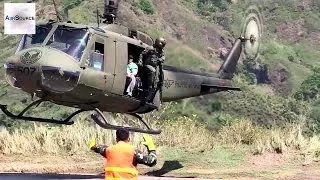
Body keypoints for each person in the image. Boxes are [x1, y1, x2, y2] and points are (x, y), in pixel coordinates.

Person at [89, 128, 157, 180]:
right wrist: (151, 148)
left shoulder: (109, 150)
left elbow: (99, 148)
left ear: (116, 139)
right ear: (128, 139)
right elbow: (151, 161)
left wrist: (93, 146)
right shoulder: (133, 152)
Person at [139, 37, 166, 103]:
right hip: (147, 65)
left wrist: (160, 60)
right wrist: (140, 61)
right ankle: (150, 87)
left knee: (158, 78)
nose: (162, 46)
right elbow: (142, 54)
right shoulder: (150, 48)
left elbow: (163, 57)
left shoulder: (160, 52)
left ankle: (150, 95)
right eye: (162, 44)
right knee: (152, 71)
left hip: (154, 67)